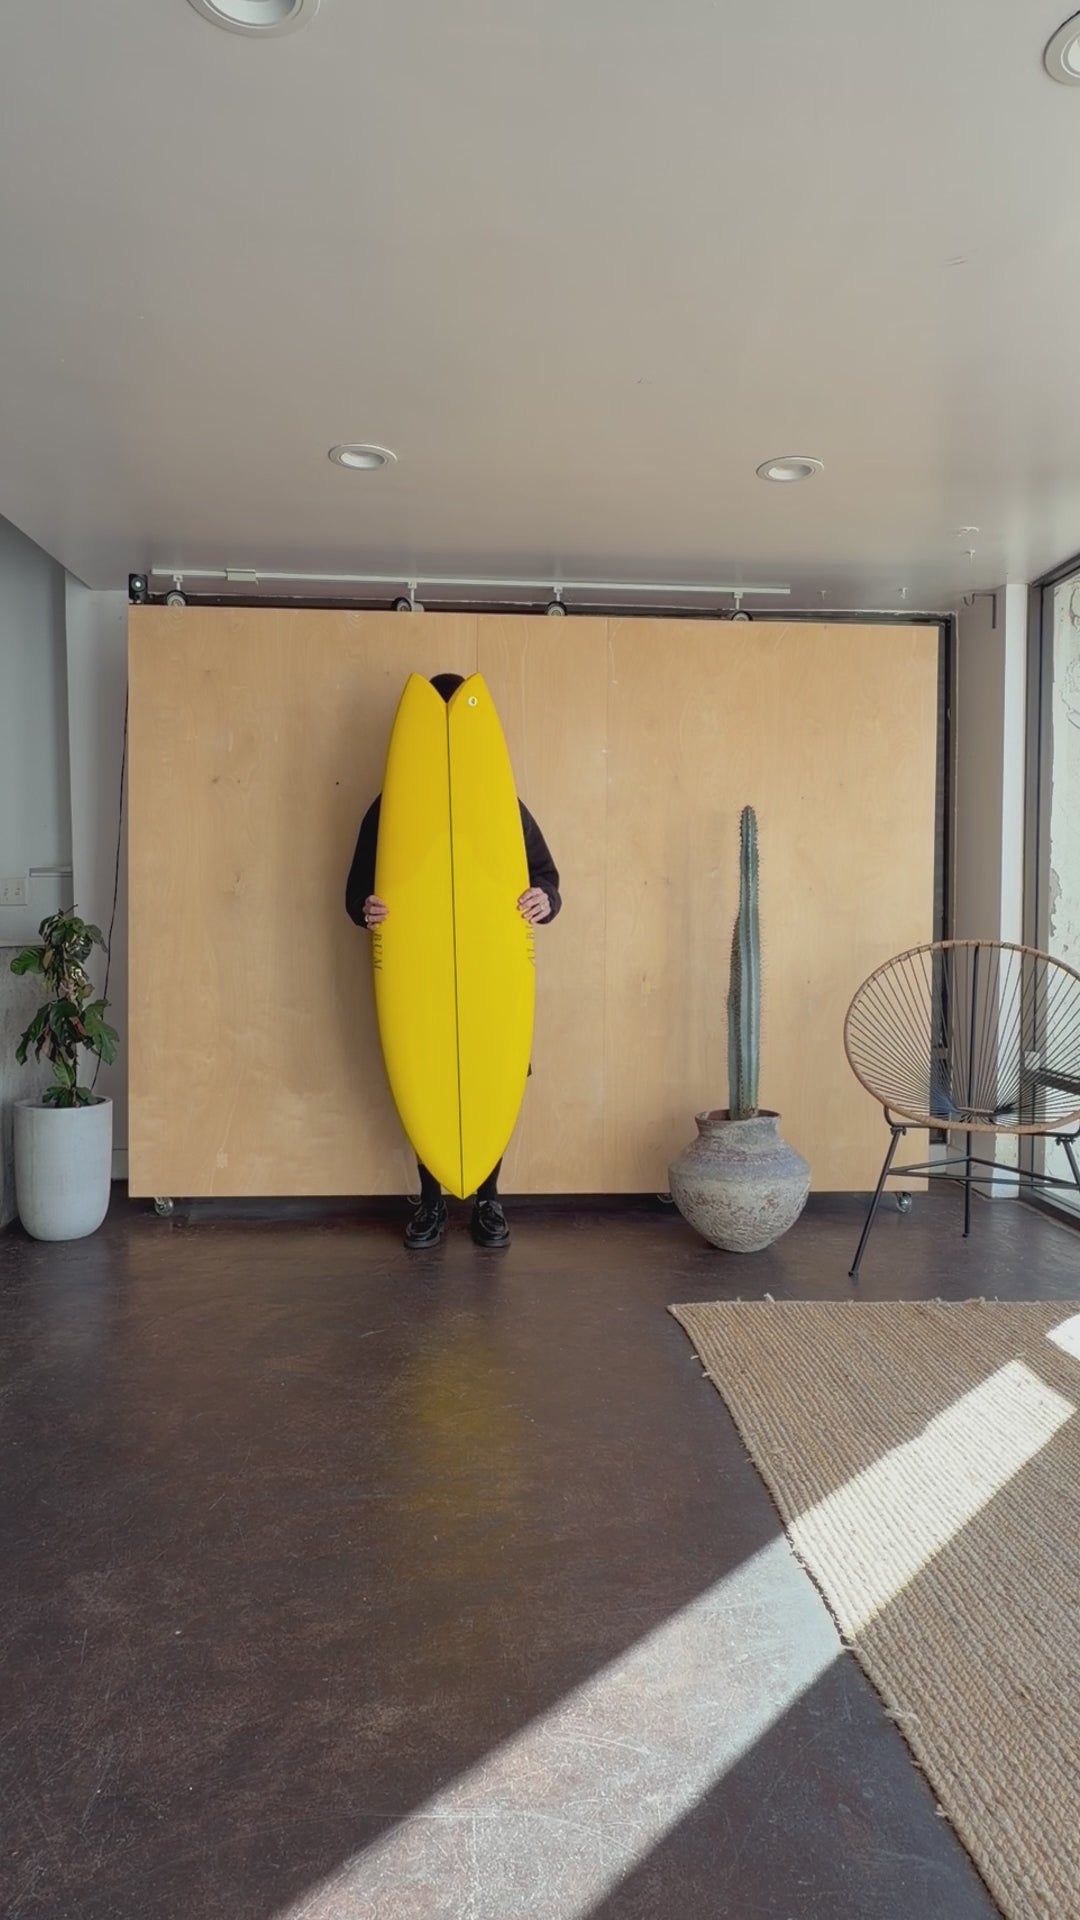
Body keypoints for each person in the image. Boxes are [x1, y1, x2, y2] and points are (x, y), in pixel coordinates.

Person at [346, 672, 561, 1249]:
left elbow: (546, 878)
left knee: (492, 1071)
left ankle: (489, 1202)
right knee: (431, 1072)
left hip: (491, 965)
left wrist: (546, 899)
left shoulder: (504, 804)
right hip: (422, 968)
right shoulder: (389, 809)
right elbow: (356, 895)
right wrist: (367, 908)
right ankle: (432, 1203)